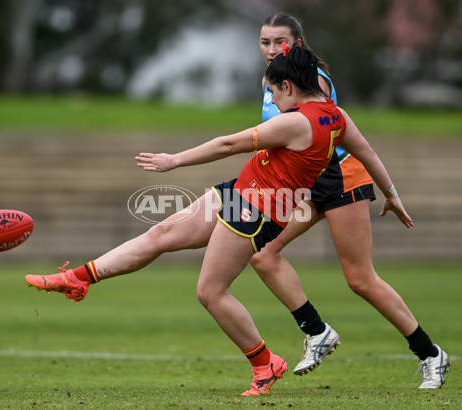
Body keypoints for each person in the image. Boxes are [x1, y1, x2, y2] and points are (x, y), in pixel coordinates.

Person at [25, 45, 407, 396]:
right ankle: (78, 278)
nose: (272, 99)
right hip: (242, 191)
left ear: (289, 86)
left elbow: (228, 144)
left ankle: (265, 365)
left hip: (255, 210)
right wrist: (391, 195)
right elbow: (367, 153)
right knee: (159, 233)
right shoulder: (337, 117)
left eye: (273, 92)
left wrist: (174, 160)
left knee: (210, 292)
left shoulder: (295, 123)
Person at [250, 12, 450, 389]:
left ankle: (430, 354)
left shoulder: (315, 79)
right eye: (265, 42)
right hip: (305, 183)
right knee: (262, 253)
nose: (273, 49)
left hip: (340, 176)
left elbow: (329, 128)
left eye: (281, 42)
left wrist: (390, 193)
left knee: (360, 279)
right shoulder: (271, 80)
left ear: (299, 43)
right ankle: (317, 331)